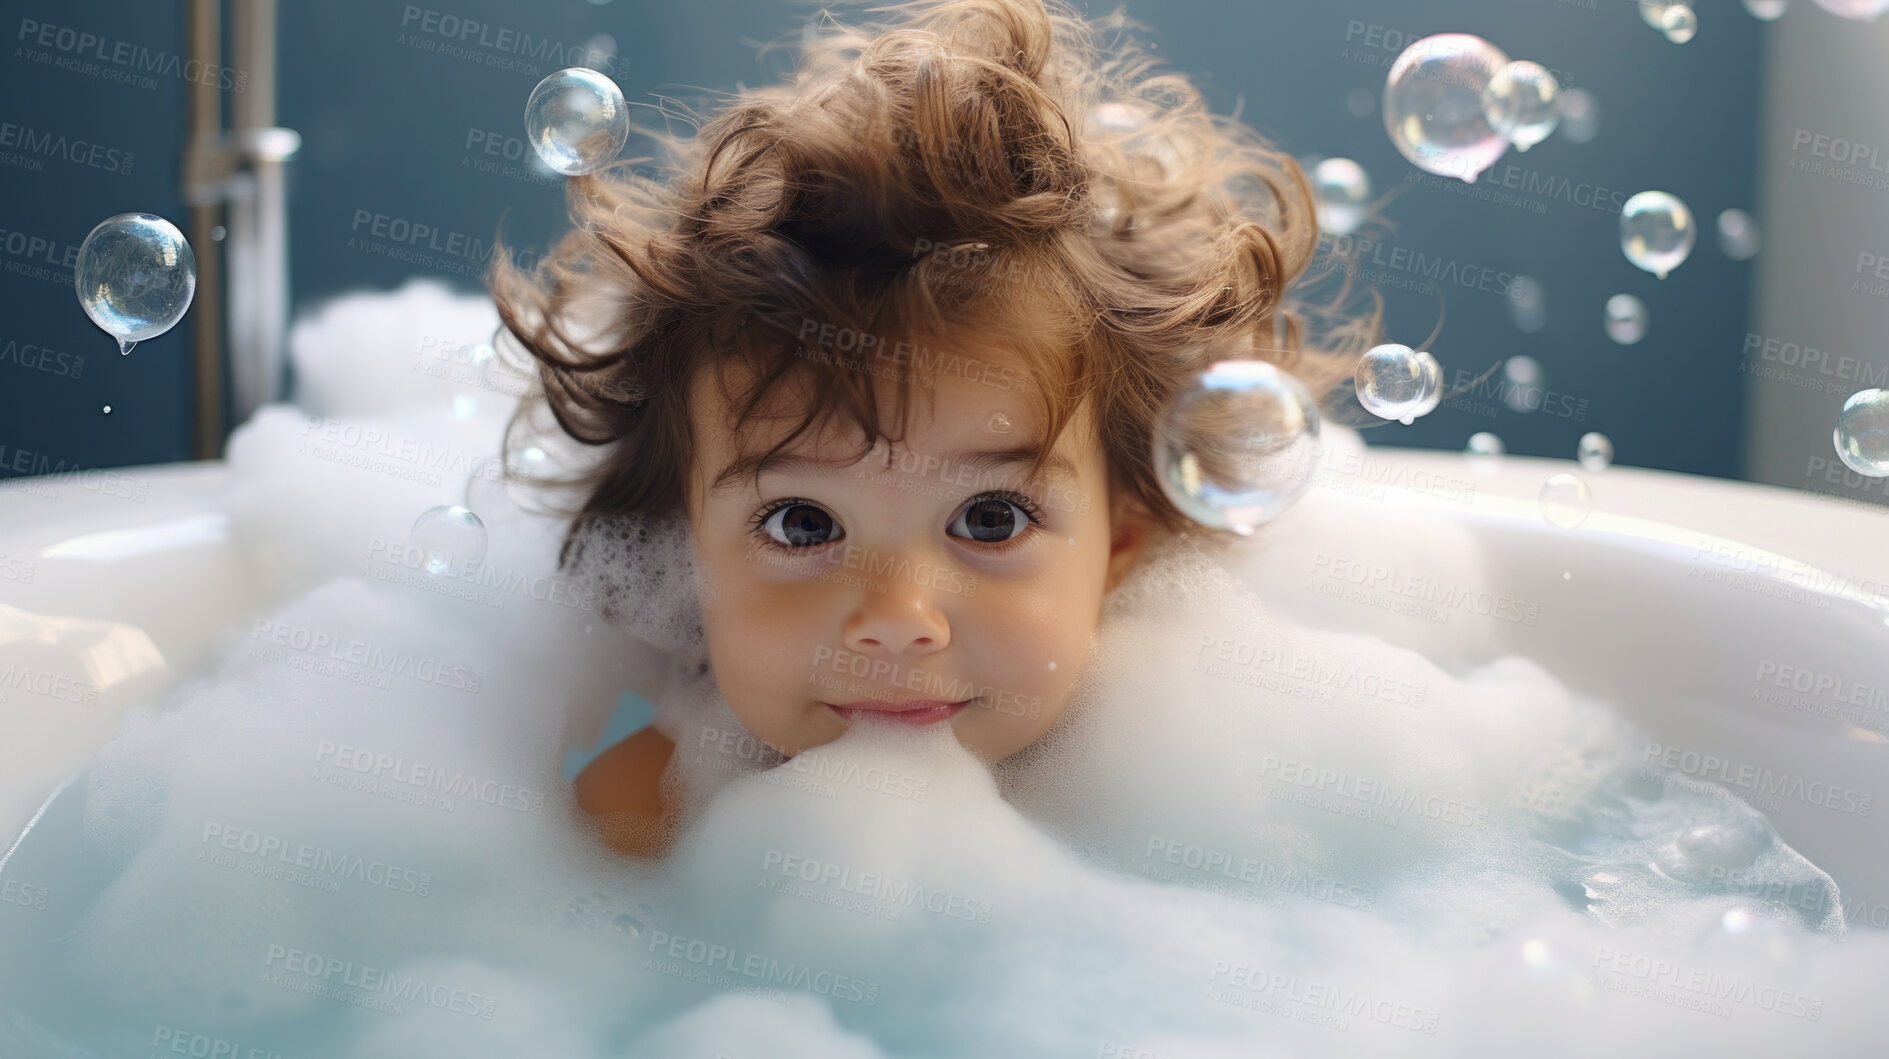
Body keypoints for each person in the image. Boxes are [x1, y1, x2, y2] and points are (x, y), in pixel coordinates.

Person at [484, 0, 1377, 858]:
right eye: (803, 522)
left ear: (1123, 541)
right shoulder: (647, 817)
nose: (899, 620)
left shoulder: (1204, 803)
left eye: (990, 518)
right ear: (683, 554)